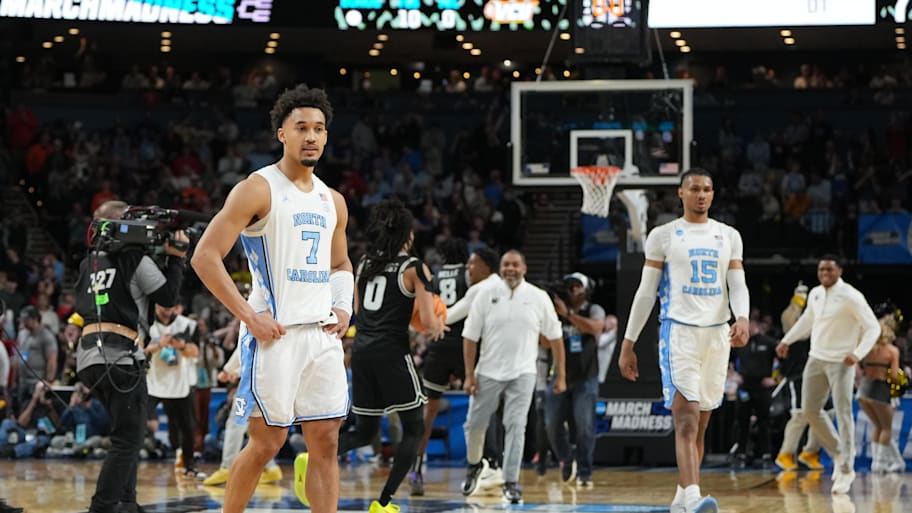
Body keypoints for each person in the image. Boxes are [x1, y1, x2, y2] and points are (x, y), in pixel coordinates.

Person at [191, 85, 353, 513]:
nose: (311, 136)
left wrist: (343, 306)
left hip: (321, 335)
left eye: (319, 128)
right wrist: (249, 317)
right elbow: (204, 257)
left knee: (327, 439)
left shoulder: (333, 200)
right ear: (282, 133)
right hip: (273, 335)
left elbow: (341, 264)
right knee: (267, 442)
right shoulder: (257, 188)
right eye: (301, 127)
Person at [618, 168, 750, 513]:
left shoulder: (729, 235)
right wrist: (628, 343)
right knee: (687, 418)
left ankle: (682, 496)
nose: (701, 195)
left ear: (713, 193)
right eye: (694, 189)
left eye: (707, 189)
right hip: (679, 333)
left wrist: (743, 317)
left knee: (702, 423)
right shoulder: (663, 235)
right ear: (681, 193)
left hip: (718, 334)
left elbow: (737, 284)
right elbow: (646, 293)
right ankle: (693, 496)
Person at [75, 199, 187, 513]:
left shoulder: (89, 262)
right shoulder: (132, 258)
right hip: (120, 357)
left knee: (127, 434)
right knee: (127, 440)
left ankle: (127, 503)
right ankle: (104, 507)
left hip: (88, 358)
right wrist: (175, 258)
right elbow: (167, 297)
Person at [336, 198, 446, 512]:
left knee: (365, 430)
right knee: (414, 428)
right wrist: (438, 324)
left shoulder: (364, 263)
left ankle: (315, 456)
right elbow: (426, 322)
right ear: (409, 235)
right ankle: (383, 503)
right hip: (392, 353)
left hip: (362, 352)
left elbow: (358, 311)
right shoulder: (414, 267)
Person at [461, 249, 566, 505]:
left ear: (524, 268)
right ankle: (474, 465)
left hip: (523, 372)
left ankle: (510, 481)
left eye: (515, 264)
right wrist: (468, 375)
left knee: (516, 426)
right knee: (474, 425)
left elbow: (556, 338)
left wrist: (561, 375)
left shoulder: (538, 297)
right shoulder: (485, 294)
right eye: (506, 264)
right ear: (500, 268)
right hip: (487, 371)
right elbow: (470, 337)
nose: (510, 268)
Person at [775, 255, 880, 495]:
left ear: (839, 271)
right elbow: (807, 321)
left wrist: (858, 353)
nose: (824, 273)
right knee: (810, 411)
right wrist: (786, 340)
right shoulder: (815, 293)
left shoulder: (851, 296)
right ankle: (840, 452)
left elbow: (873, 327)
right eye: (821, 269)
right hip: (816, 358)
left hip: (842, 362)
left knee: (843, 414)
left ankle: (846, 469)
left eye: (829, 269)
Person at [409, 237, 470, 496]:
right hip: (465, 343)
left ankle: (417, 468)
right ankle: (485, 466)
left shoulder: (432, 276)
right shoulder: (469, 275)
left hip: (437, 344)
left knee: (428, 412)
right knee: (481, 406)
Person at [546, 272, 606, 488]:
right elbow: (544, 342)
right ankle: (566, 459)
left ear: (587, 288)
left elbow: (596, 327)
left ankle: (584, 472)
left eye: (577, 286)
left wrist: (569, 314)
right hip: (558, 375)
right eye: (569, 285)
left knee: (585, 426)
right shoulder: (554, 313)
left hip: (586, 377)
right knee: (551, 423)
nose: (573, 290)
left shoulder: (593, 309)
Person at [202, 347, 283, 486]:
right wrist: (236, 370)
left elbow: (248, 343)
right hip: (273, 380)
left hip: (254, 380)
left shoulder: (258, 325)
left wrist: (231, 370)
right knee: (255, 427)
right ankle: (271, 467)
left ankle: (227, 468)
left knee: (236, 422)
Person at [145, 303, 203, 479]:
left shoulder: (187, 325)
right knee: (140, 422)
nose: (168, 310)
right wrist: (158, 345)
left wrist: (182, 346)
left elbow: (195, 352)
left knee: (188, 427)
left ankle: (189, 465)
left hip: (179, 383)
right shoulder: (146, 323)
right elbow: (142, 350)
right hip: (152, 382)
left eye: (172, 306)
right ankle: (131, 462)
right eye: (164, 306)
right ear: (155, 306)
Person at [774, 282, 823, 472]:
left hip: (817, 370)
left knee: (825, 414)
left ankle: (810, 452)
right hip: (796, 373)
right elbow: (797, 331)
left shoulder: (817, 315)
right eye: (800, 295)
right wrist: (798, 304)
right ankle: (785, 454)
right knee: (800, 414)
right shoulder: (790, 316)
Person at [730, 320, 777, 467]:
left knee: (764, 421)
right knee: (741, 421)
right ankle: (742, 453)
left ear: (754, 325)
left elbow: (783, 358)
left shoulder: (768, 342)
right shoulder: (740, 343)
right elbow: (728, 360)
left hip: (763, 386)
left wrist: (776, 378)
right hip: (745, 386)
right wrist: (732, 374)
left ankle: (766, 454)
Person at [859, 321, 904, 473]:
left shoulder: (867, 349)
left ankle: (895, 462)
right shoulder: (892, 351)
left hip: (863, 390)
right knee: (886, 428)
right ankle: (879, 464)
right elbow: (894, 375)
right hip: (880, 390)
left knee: (878, 426)